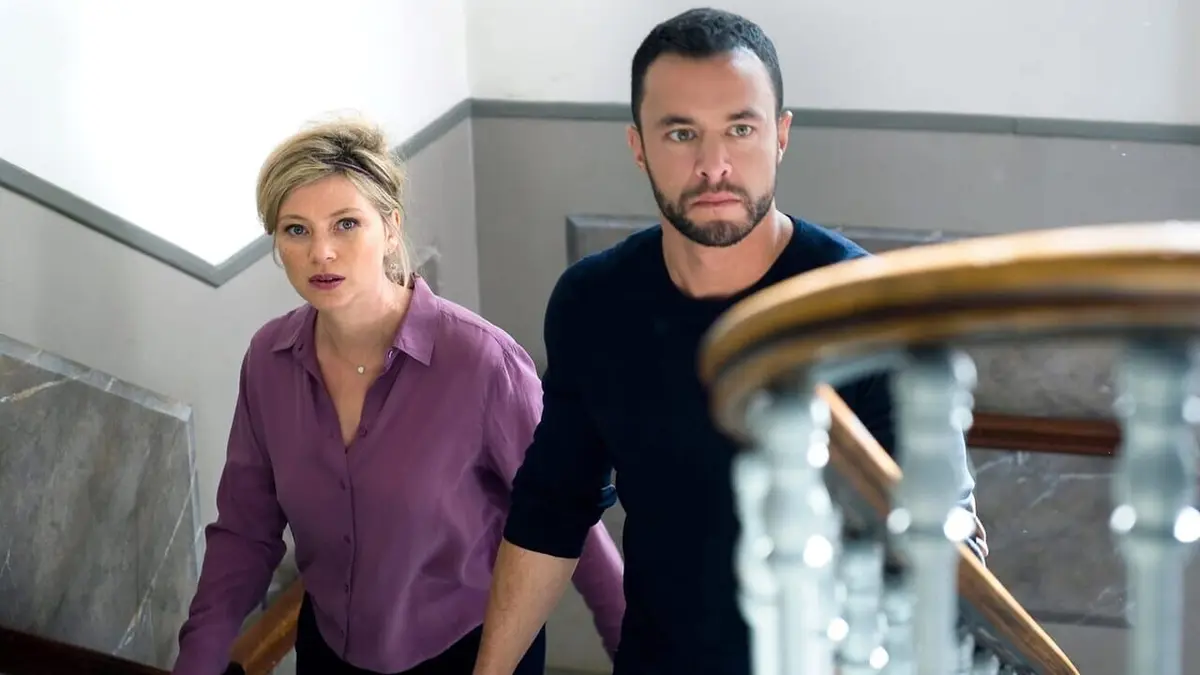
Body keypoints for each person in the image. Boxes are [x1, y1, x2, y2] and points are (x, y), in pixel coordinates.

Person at [471, 8, 987, 675]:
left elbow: (942, 545)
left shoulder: (868, 312)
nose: (713, 165)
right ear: (638, 146)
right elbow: (551, 508)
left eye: (740, 129)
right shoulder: (594, 303)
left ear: (781, 135)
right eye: (681, 132)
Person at [170, 118, 625, 675]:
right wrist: (196, 663)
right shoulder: (268, 360)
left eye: (346, 224)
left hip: (473, 653)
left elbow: (569, 518)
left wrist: (637, 651)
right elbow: (245, 531)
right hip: (328, 654)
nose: (321, 252)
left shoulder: (484, 363)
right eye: (296, 230)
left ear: (390, 228)